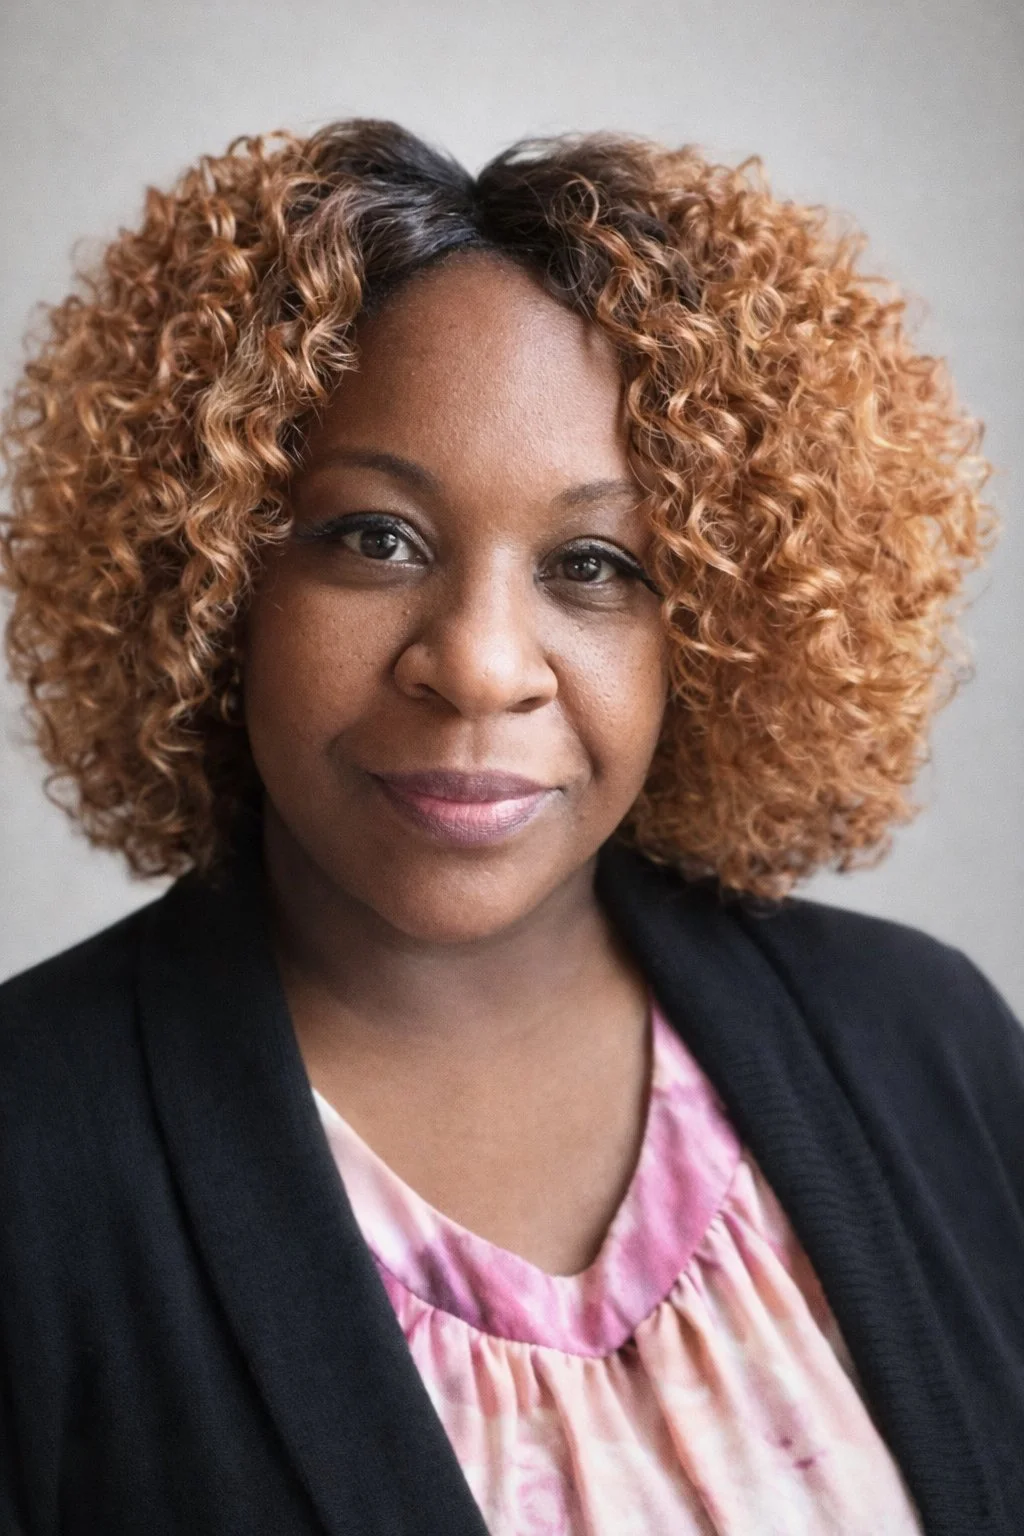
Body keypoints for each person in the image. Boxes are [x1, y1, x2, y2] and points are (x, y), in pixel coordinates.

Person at [0, 119, 1020, 1536]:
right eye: (375, 537)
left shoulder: (927, 1042)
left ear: (717, 631)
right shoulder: (31, 1153)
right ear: (217, 578)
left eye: (596, 563)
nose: (480, 666)